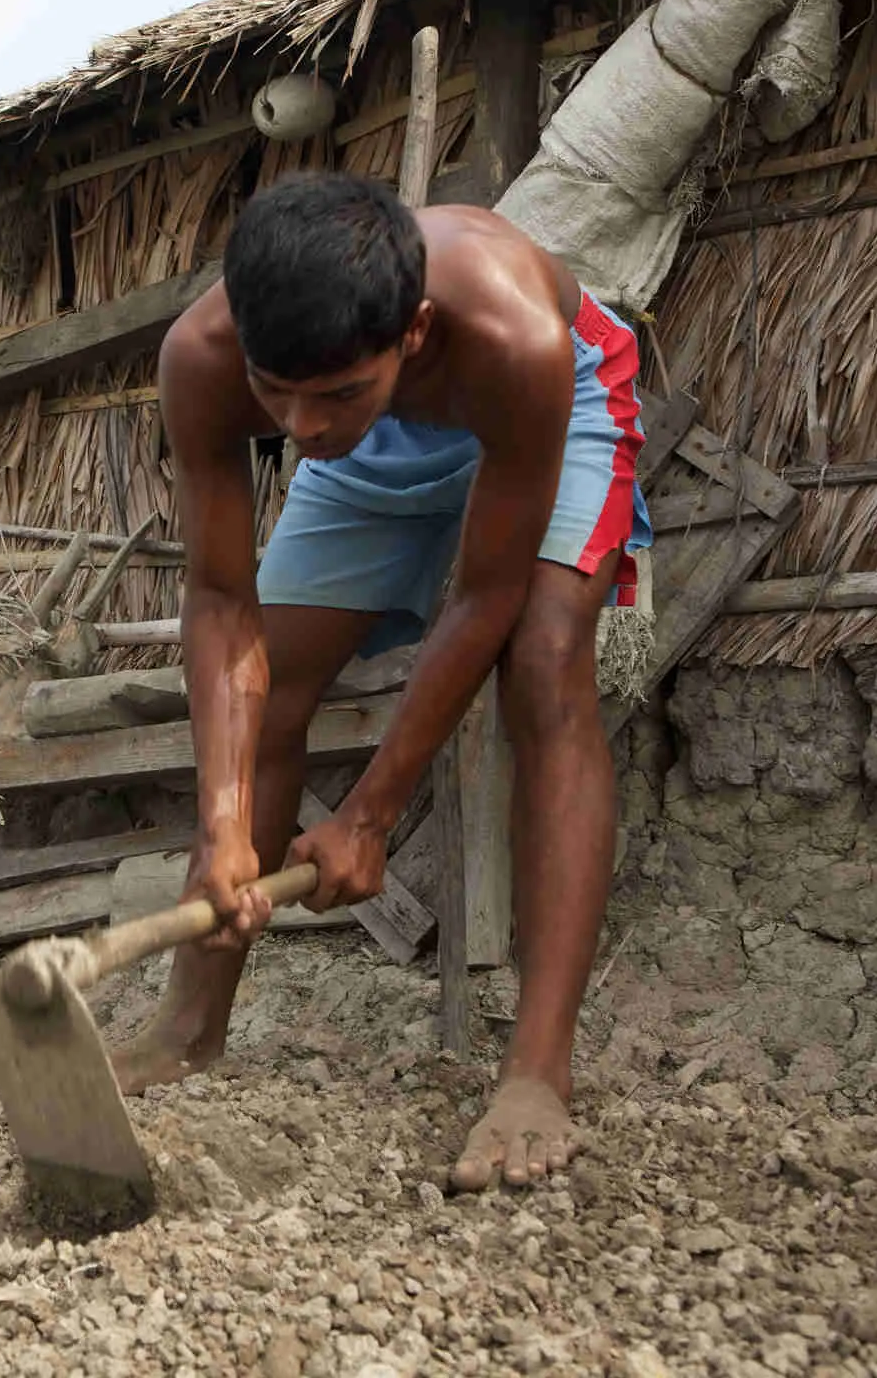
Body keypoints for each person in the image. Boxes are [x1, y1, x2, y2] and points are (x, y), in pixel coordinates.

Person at [114, 171, 651, 1192]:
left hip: (558, 402)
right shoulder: (208, 358)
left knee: (543, 665)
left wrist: (369, 811)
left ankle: (537, 1070)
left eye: (332, 398)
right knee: (267, 693)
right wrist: (224, 821)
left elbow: (484, 594)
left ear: (413, 331)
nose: (301, 430)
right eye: (278, 396)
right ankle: (190, 1027)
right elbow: (224, 604)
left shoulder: (512, 336)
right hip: (389, 430)